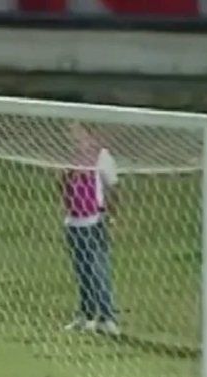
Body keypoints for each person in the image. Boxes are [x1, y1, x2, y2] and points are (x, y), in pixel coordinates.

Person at [62, 122, 121, 335]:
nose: (74, 137)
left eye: (79, 133)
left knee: (98, 269)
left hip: (96, 220)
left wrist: (112, 217)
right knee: (82, 270)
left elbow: (112, 186)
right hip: (74, 220)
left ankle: (107, 317)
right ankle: (86, 315)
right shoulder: (70, 158)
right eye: (72, 133)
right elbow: (62, 187)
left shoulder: (102, 157)